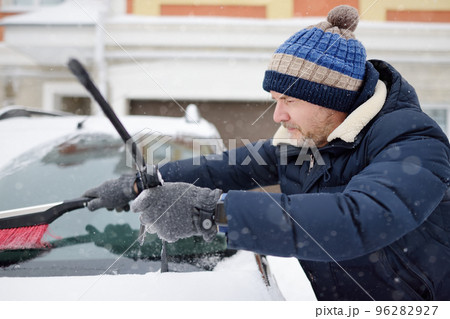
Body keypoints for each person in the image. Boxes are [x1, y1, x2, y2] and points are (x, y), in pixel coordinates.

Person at [84, 5, 450, 301]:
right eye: (276, 101)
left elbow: (360, 219)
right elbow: (228, 167)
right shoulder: (310, 141)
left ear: (333, 100)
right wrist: (144, 182)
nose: (278, 115)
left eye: (289, 100)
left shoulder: (414, 140)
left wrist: (211, 213)